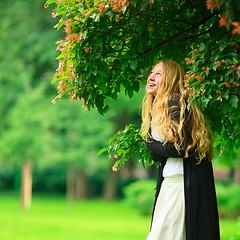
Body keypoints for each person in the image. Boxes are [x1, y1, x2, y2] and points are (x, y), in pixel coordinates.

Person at [140, 59, 220, 240]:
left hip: (182, 187)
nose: (151, 77)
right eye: (151, 73)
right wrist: (156, 148)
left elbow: (180, 147)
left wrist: (153, 146)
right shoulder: (157, 107)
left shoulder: (175, 101)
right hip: (170, 184)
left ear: (170, 79)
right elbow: (157, 153)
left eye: (158, 74)